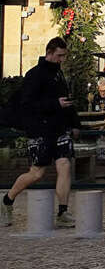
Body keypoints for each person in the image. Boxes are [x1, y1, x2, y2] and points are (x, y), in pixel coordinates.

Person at [2, 37, 81, 228]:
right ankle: (8, 199)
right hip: (40, 130)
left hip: (59, 128)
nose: (62, 59)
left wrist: (75, 123)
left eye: (64, 56)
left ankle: (62, 211)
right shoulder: (35, 75)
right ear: (50, 52)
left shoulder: (59, 75)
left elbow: (65, 101)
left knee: (65, 166)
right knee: (37, 173)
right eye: (60, 55)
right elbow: (27, 104)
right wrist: (55, 104)